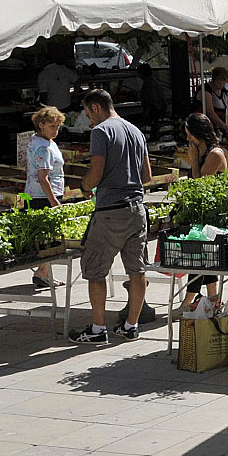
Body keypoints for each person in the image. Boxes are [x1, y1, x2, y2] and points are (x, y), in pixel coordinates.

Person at [70, 89, 151, 344]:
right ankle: (130, 326)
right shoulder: (136, 131)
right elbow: (146, 176)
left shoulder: (101, 132)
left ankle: (97, 330)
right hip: (137, 208)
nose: (89, 121)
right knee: (136, 270)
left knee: (95, 271)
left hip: (109, 210)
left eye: (87, 113)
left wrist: (84, 186)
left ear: (95, 107)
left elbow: (96, 172)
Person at [181, 112, 227, 313]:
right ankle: (213, 298)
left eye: (190, 135)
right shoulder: (203, 152)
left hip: (213, 213)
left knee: (199, 256)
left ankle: (188, 301)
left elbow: (201, 184)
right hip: (203, 212)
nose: (188, 139)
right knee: (204, 258)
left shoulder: (214, 154)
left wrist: (193, 160)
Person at [25, 106, 67, 288]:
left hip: (37, 194)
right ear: (41, 125)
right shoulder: (43, 148)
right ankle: (42, 272)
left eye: (58, 126)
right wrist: (54, 201)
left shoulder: (39, 141)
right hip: (43, 197)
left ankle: (44, 272)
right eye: (52, 126)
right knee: (48, 237)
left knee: (47, 237)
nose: (55, 130)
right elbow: (43, 178)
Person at [200, 67, 228, 137]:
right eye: (219, 83)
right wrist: (226, 127)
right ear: (213, 79)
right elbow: (211, 113)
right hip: (204, 127)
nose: (221, 86)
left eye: (224, 84)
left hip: (219, 127)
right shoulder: (205, 90)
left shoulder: (224, 91)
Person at [134, 63, 169, 129]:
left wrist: (144, 118)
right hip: (157, 111)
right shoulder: (153, 81)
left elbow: (150, 103)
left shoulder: (149, 84)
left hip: (154, 112)